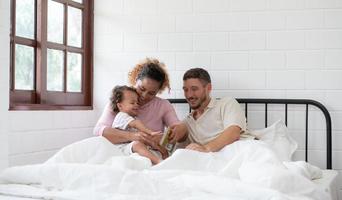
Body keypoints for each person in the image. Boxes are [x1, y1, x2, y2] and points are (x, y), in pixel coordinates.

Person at [93, 58, 187, 160]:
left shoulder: (163, 105)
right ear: (136, 79)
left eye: (151, 93)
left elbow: (179, 130)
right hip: (120, 154)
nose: (144, 95)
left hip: (149, 156)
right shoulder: (121, 100)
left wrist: (171, 135)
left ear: (158, 91)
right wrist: (133, 136)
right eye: (142, 88)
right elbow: (98, 130)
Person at [168, 68, 247, 152]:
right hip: (214, 160)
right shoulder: (187, 123)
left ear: (208, 88)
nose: (189, 95)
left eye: (194, 89)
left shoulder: (226, 103)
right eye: (186, 90)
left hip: (241, 152)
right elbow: (173, 151)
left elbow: (233, 133)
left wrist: (206, 148)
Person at [110, 85, 167, 164]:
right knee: (138, 144)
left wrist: (158, 147)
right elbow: (136, 124)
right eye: (132, 103)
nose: (136, 105)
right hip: (121, 148)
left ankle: (163, 158)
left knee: (146, 145)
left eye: (137, 102)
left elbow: (141, 136)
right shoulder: (121, 116)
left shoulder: (133, 118)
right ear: (120, 106)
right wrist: (150, 132)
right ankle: (158, 162)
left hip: (131, 147)